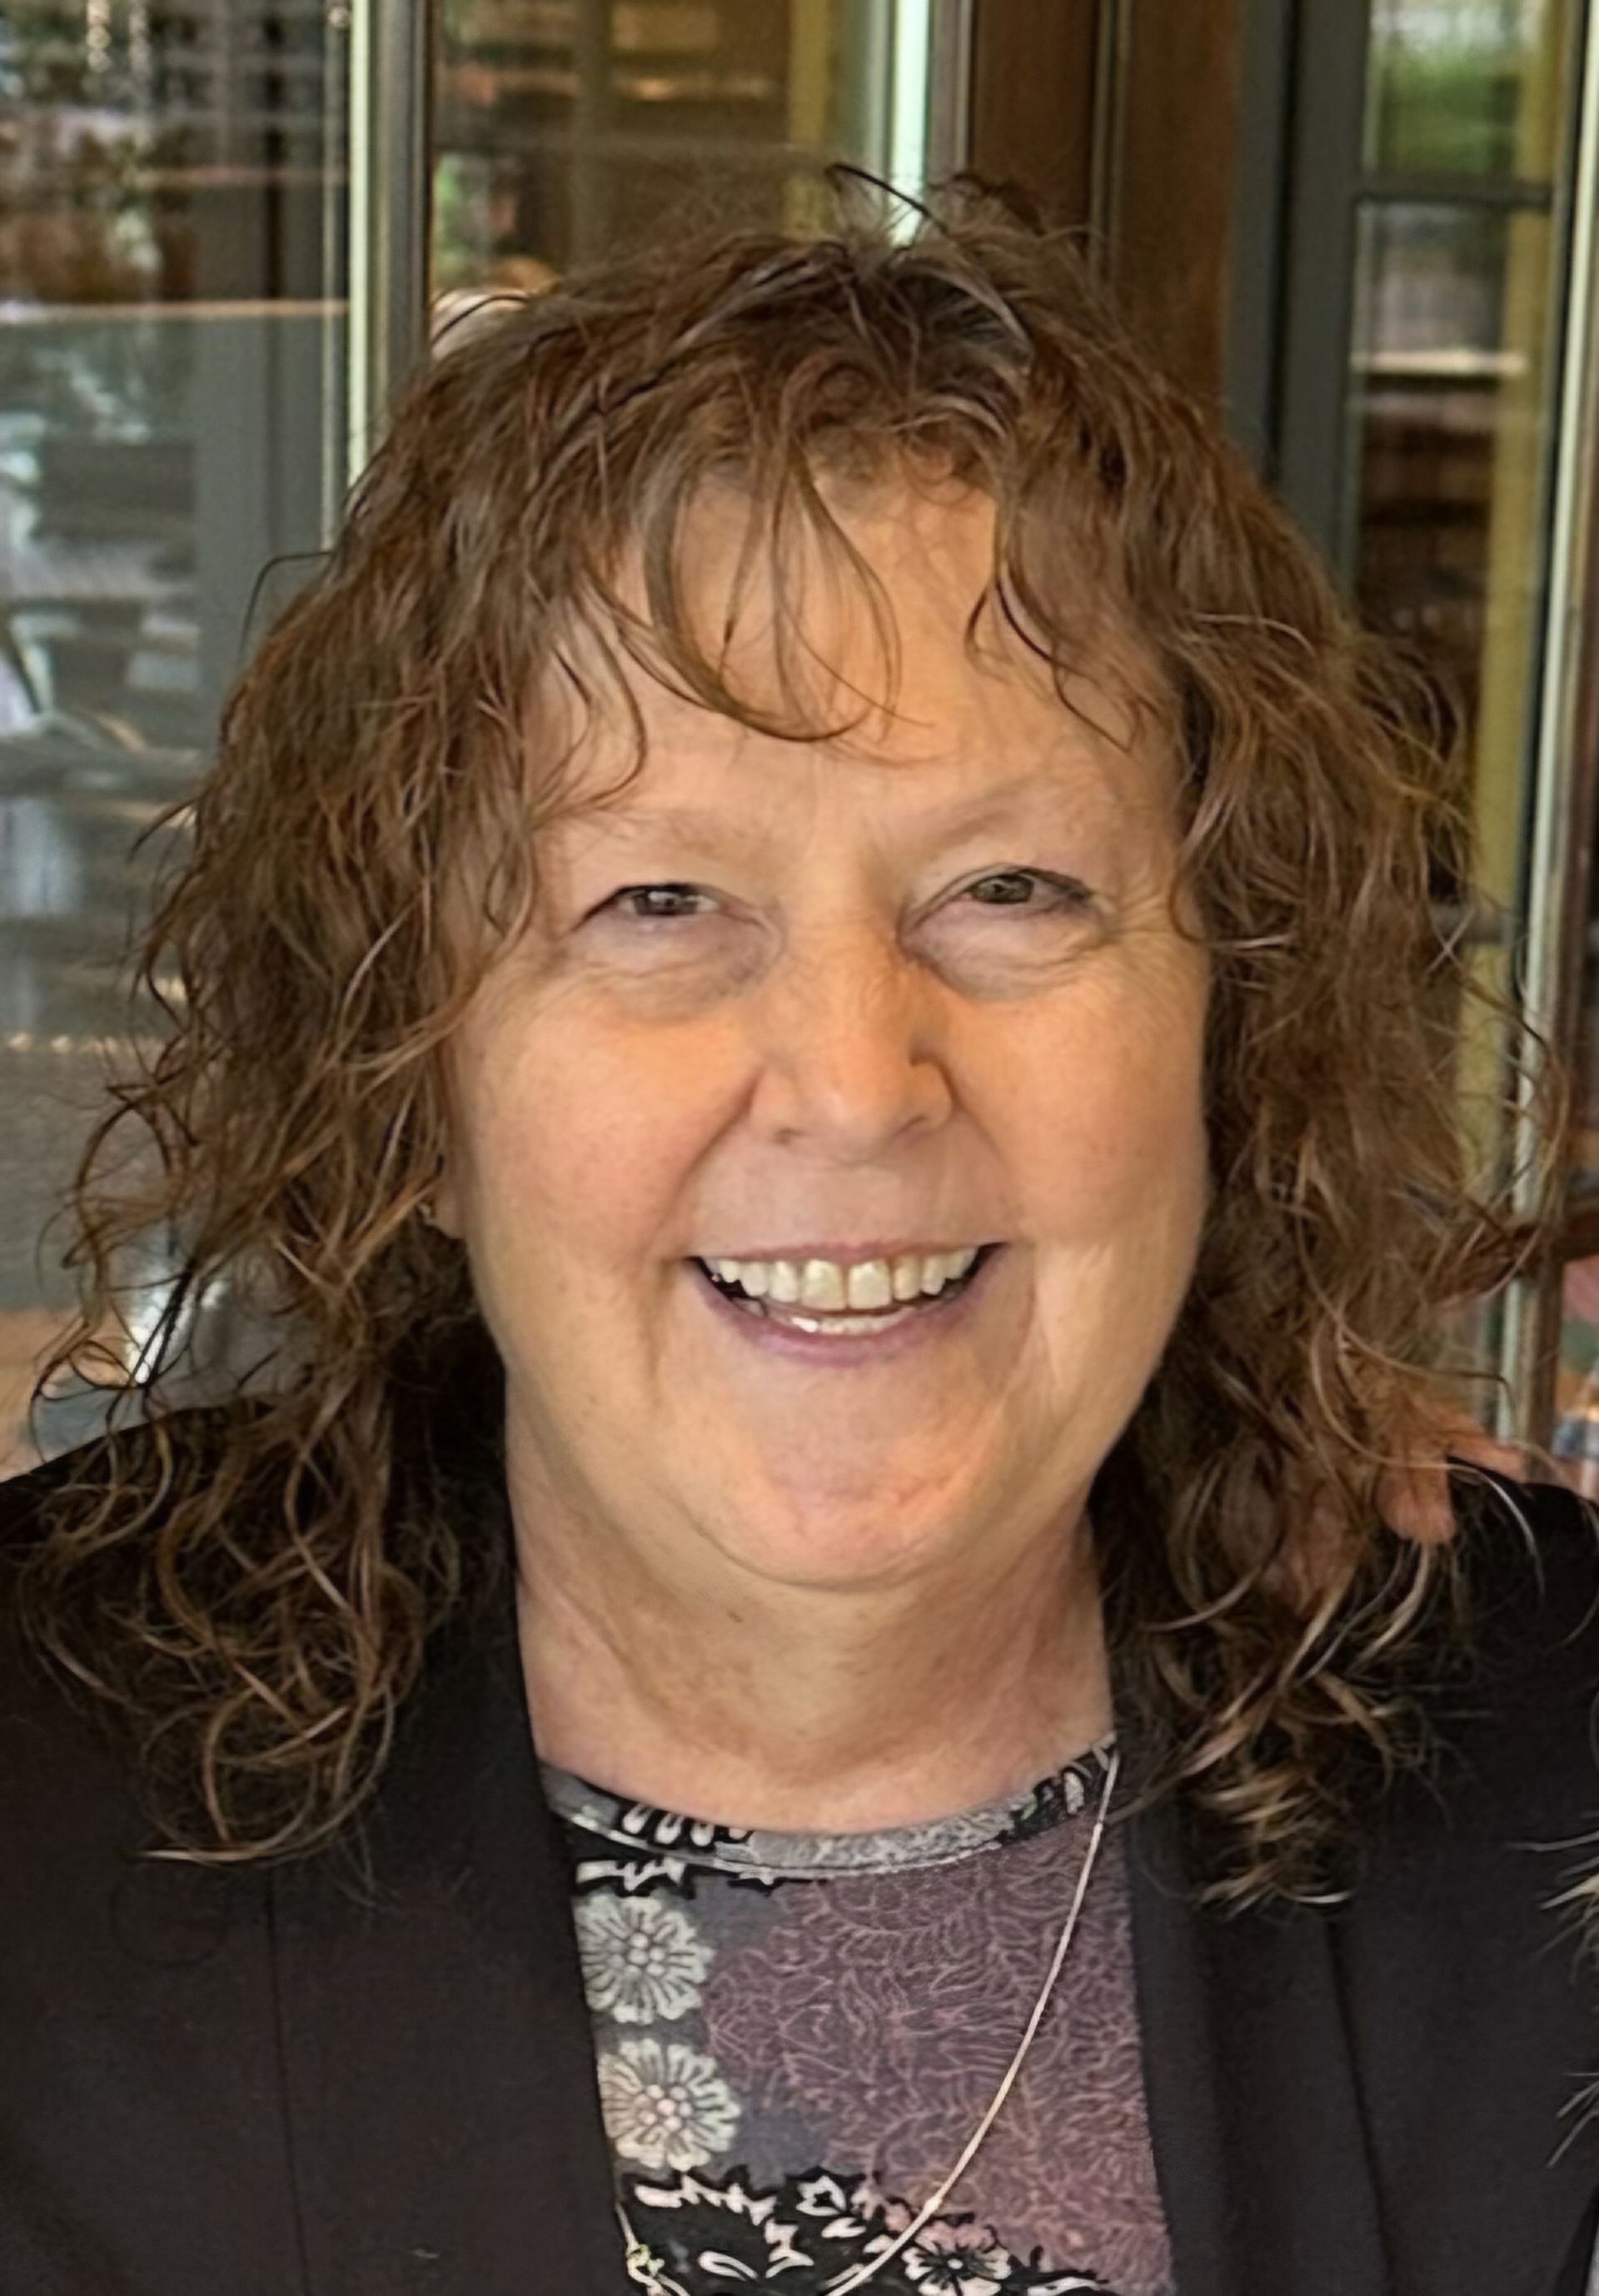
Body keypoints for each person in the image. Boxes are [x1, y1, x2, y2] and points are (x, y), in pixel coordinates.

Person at [2, 187, 1597, 2296]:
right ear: (421, 1080)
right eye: (658, 902)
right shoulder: (41, 1825)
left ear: (1232, 1021)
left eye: (1013, 887)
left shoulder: (1545, 1769)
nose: (854, 1078)